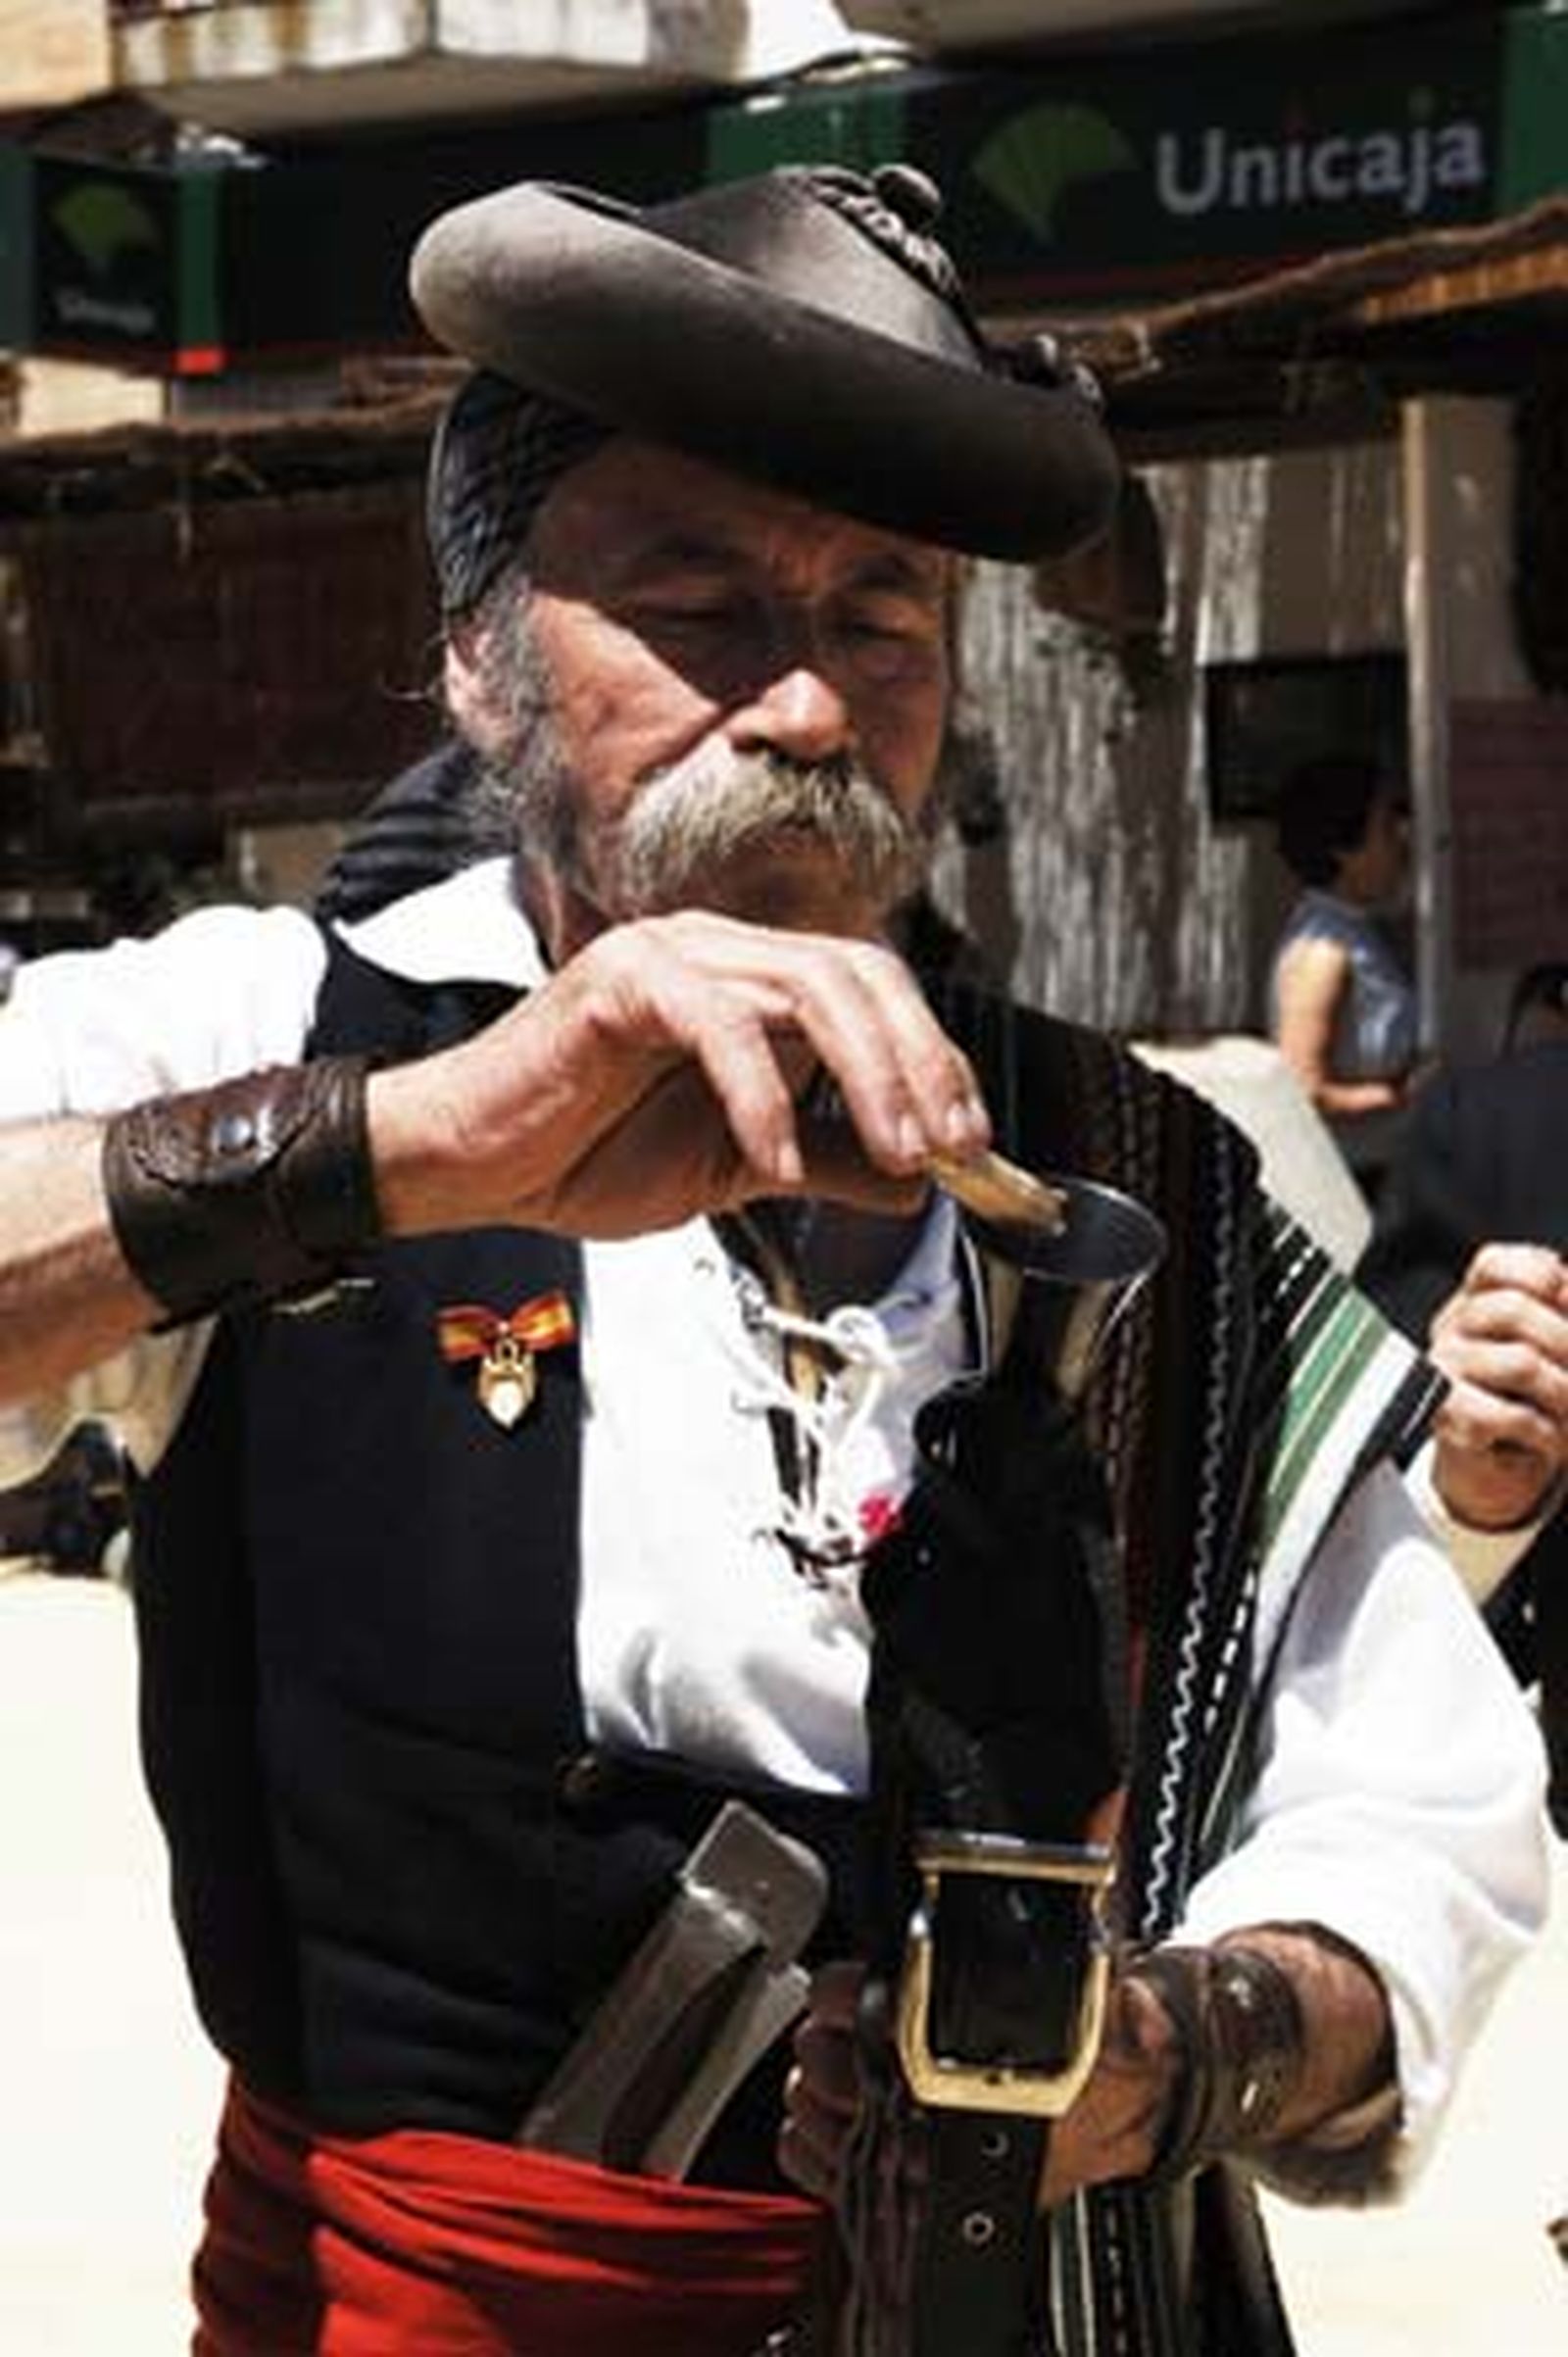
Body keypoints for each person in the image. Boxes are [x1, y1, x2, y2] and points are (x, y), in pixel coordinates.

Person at [0, 165, 1547, 2357]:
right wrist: (416, 1147)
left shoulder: (1145, 1173)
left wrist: (1163, 2057)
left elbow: (1421, 1818)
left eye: (879, 610)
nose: (809, 705)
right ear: (477, 645)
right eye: (701, 602)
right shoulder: (281, 1035)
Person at [1267, 751, 1420, 1187]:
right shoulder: (1323, 948)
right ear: (1344, 849)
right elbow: (1305, 1089)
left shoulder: (1354, 931)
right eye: (1386, 830)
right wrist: (1400, 1095)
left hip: (1381, 1169)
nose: (1402, 844)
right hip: (1353, 1180)